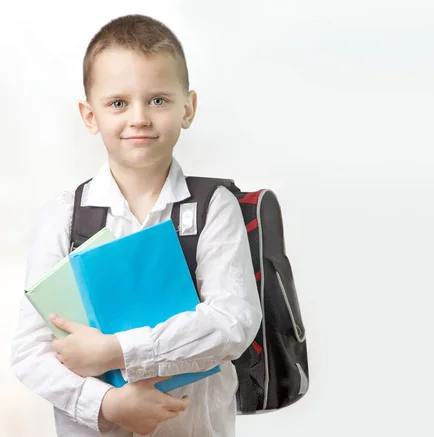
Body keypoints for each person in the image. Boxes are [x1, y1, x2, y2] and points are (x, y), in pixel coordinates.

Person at [11, 13, 262, 437]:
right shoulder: (64, 215)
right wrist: (108, 404)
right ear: (90, 116)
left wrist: (116, 351)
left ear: (189, 107)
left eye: (159, 99)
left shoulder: (213, 207)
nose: (140, 117)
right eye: (118, 103)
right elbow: (29, 351)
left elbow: (232, 321)